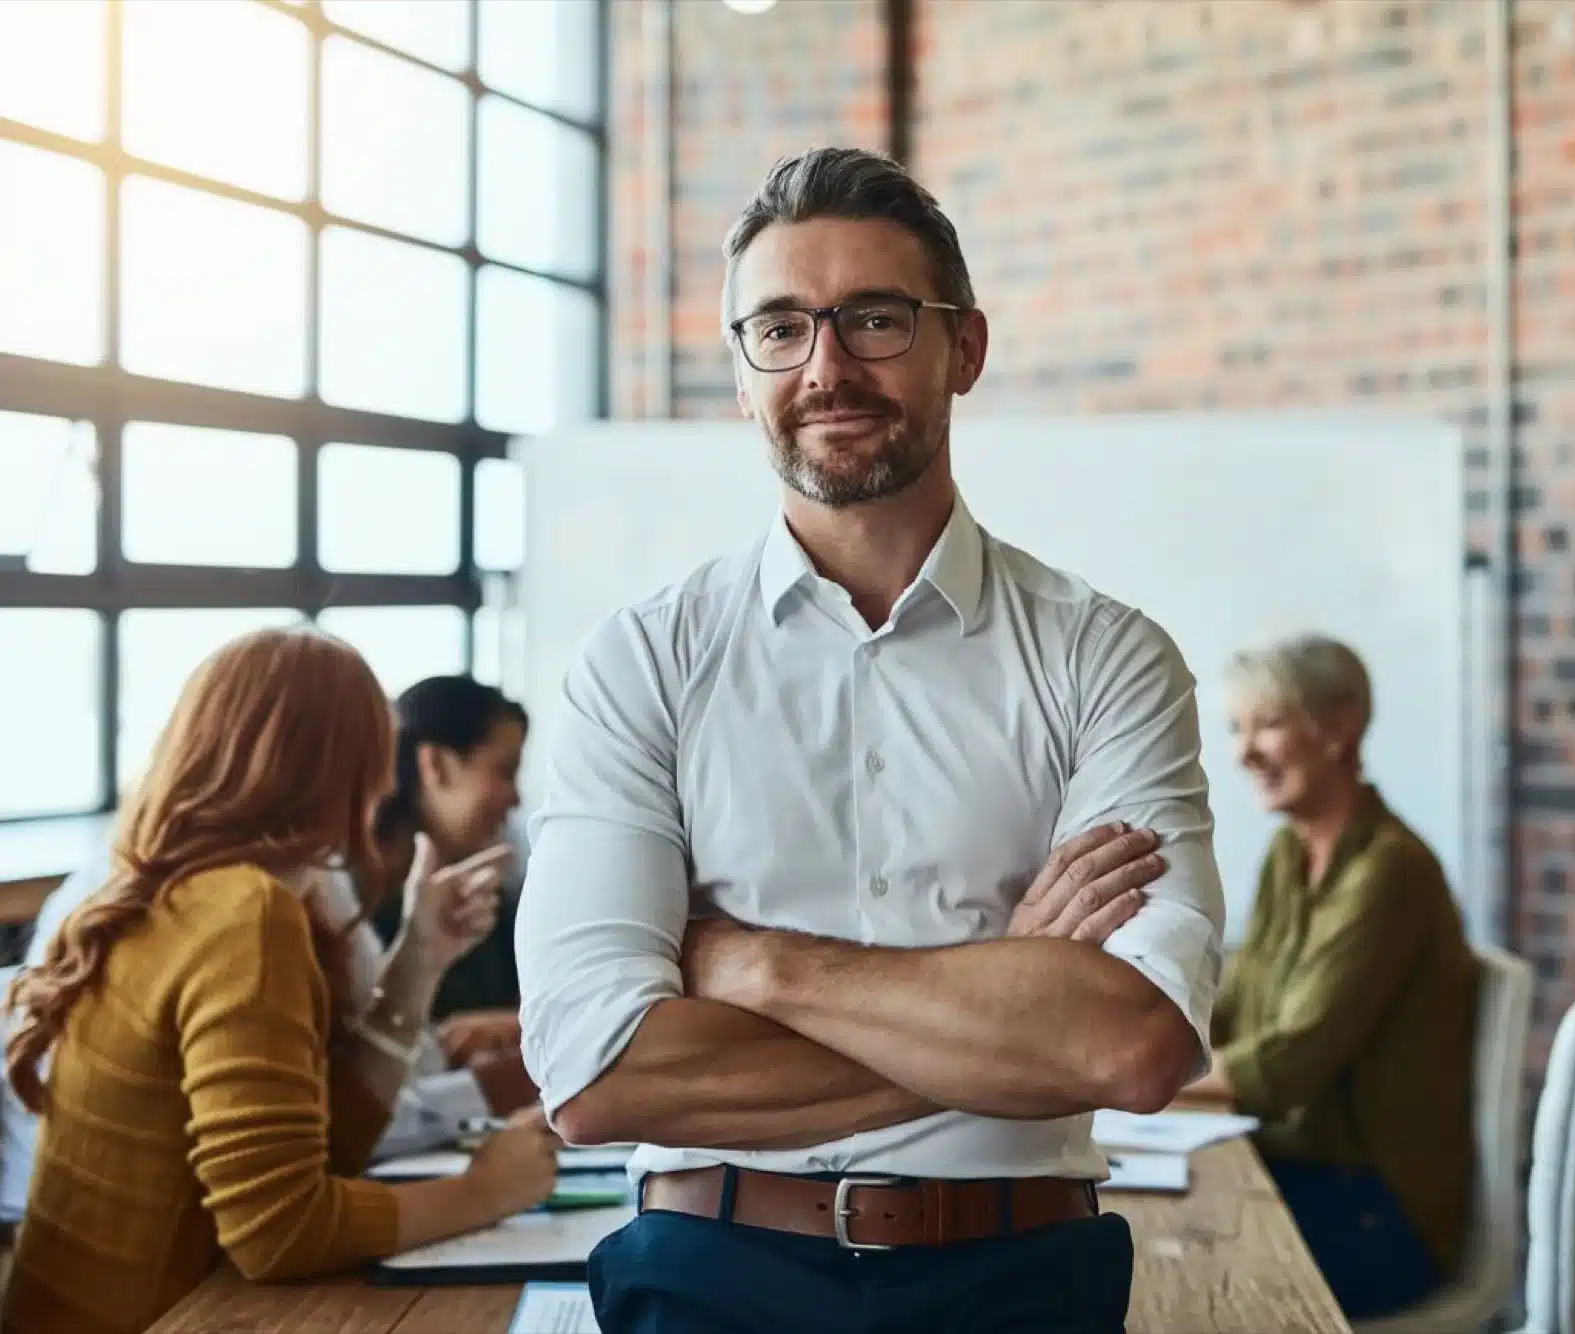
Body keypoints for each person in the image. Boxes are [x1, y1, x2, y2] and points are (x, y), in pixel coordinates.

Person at [515, 146, 1226, 1334]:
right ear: (743, 374)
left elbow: (1132, 1043)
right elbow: (596, 1078)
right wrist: (1003, 984)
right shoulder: (642, 663)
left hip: (1021, 1280)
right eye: (781, 328)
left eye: (876, 319)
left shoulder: (1109, 657)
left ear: (966, 347)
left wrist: (755, 963)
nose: (827, 366)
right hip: (709, 1271)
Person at [1, 628, 558, 1334]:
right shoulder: (246, 912)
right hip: (163, 1317)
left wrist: (419, 957)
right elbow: (275, 1232)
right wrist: (483, 1192)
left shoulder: (182, 885)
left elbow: (323, 1153)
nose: (386, 780)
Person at [1186, 634, 1479, 1321]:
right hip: (1303, 1174)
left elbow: (1287, 1064)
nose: (1243, 753)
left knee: (1161, 1268)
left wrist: (1128, 1082)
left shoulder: (1389, 871)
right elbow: (1228, 1013)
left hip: (1377, 1216)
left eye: (1268, 723)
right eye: (1236, 728)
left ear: (1340, 726)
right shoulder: (1289, 854)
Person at [364, 675, 532, 1066]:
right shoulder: (349, 909)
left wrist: (517, 1025)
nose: (516, 796)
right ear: (435, 765)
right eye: (504, 771)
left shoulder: (494, 908)